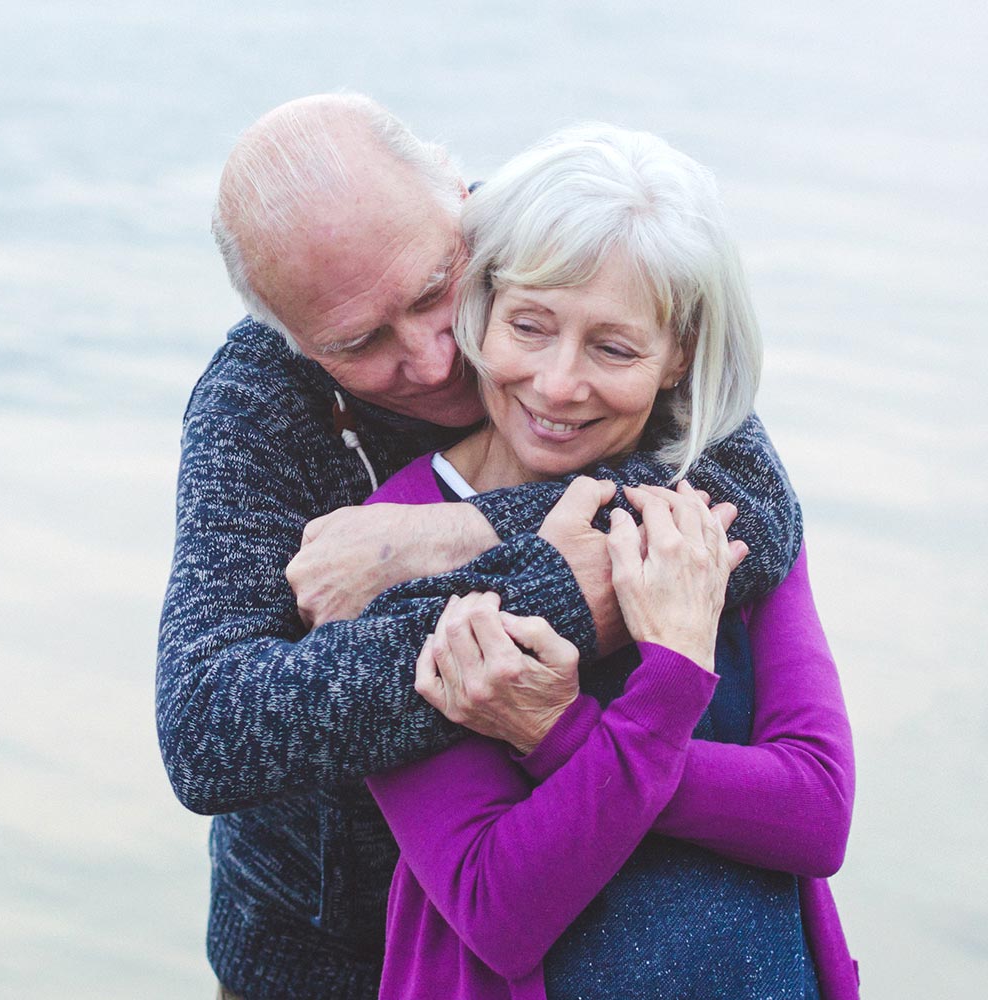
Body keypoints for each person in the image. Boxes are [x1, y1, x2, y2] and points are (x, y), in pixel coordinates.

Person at [156, 94, 804, 999]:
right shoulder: (257, 400)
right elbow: (211, 730)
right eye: (359, 342)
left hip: (607, 934)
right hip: (322, 955)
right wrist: (562, 588)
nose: (429, 359)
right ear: (292, 339)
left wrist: (455, 533)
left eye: (433, 293)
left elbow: (757, 509)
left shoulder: (563, 249)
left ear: (462, 203)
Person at [358, 125, 858, 998]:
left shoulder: (722, 508)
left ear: (681, 356)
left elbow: (816, 812)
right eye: (530, 325)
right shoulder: (393, 538)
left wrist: (563, 736)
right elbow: (496, 904)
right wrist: (665, 694)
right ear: (479, 308)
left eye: (614, 348)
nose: (557, 384)